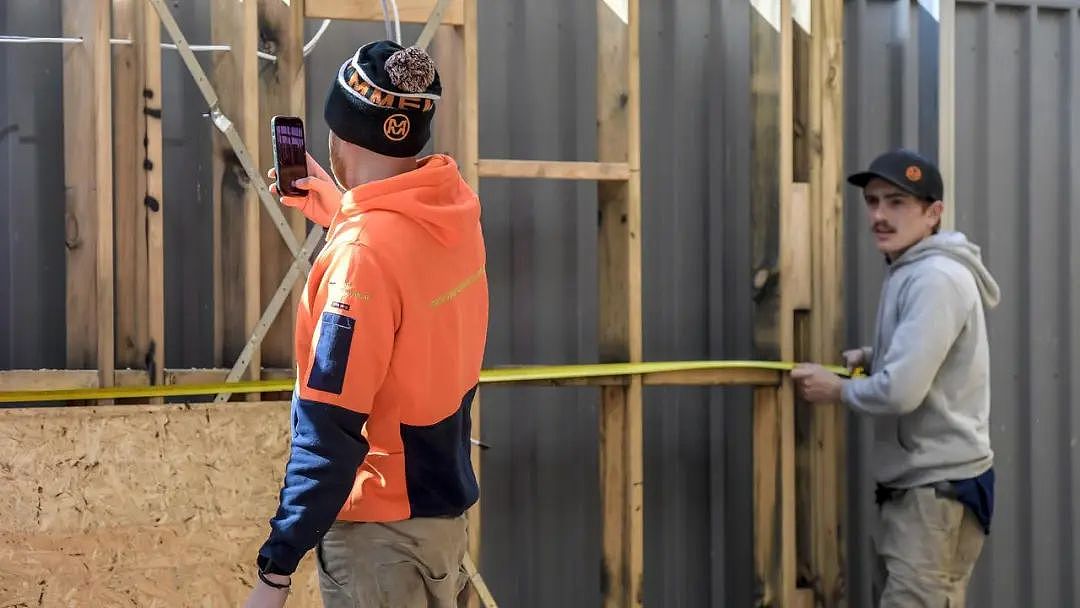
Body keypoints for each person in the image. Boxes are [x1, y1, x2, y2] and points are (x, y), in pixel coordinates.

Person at [243, 40, 489, 608]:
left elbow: (330, 428)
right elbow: (407, 279)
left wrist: (275, 573)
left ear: (339, 131)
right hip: (437, 529)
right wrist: (342, 210)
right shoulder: (454, 214)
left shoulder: (363, 256)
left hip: (379, 541)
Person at [790, 149, 999, 607]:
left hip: (935, 497)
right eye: (873, 201)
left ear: (933, 212)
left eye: (897, 203)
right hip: (920, 494)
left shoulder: (935, 278)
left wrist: (837, 389)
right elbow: (934, 357)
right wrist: (873, 355)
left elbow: (902, 391)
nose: (880, 216)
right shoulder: (910, 270)